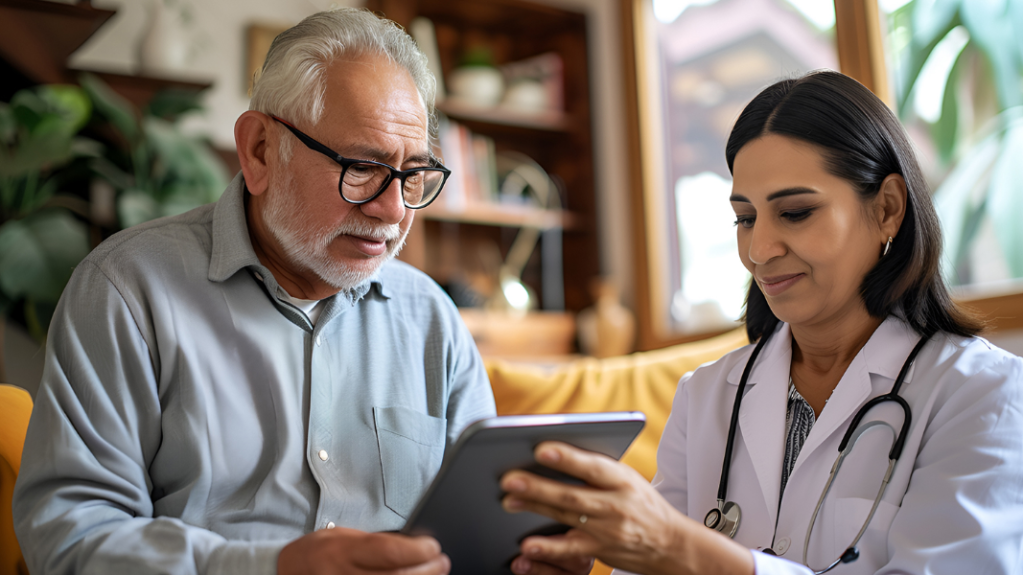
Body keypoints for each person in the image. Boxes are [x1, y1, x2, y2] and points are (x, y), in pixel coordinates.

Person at [13, 9, 499, 575]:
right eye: (363, 167)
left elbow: (482, 523)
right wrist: (271, 567)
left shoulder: (431, 319)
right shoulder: (126, 291)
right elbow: (69, 536)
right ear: (261, 151)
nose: (392, 211)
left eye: (412, 173)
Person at [499, 70, 1023, 575]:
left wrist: (688, 552)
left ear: (887, 208)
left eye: (795, 212)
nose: (760, 250)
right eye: (745, 219)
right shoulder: (704, 397)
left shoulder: (984, 395)